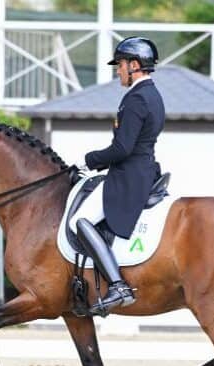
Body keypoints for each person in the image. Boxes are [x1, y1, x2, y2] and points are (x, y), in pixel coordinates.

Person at [72, 36, 166, 316]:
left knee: (80, 219)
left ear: (134, 65)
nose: (118, 71)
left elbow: (122, 148)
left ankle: (117, 285)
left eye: (121, 65)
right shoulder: (154, 94)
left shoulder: (136, 98)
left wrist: (87, 160)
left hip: (129, 176)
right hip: (144, 169)